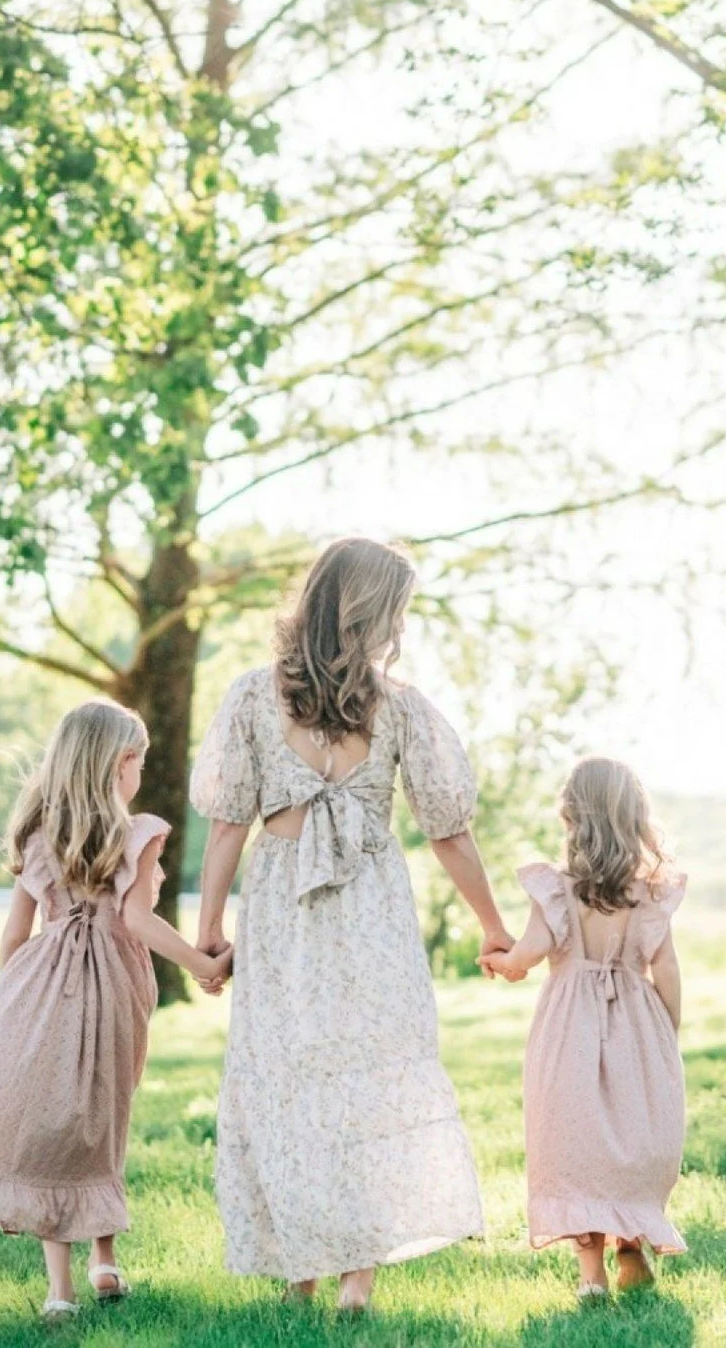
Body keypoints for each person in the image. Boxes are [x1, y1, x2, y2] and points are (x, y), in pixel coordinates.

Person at [190, 537, 513, 1313]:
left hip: (281, 906)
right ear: (376, 612)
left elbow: (230, 826)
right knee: (370, 1072)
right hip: (370, 905)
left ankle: (302, 1267)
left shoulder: (252, 697)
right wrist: (493, 927)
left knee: (287, 1073)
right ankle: (354, 1277)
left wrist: (207, 932)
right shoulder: (399, 707)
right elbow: (448, 832)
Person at [0, 698, 230, 1318]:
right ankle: (104, 1259)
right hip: (113, 984)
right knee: (104, 1112)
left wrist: (10, 1002)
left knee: (58, 1121)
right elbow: (136, 919)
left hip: (39, 989)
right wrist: (204, 965)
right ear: (120, 764)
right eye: (139, 761)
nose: (141, 773)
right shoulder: (136, 834)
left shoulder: (37, 835)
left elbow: (14, 933)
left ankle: (60, 1293)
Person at [480, 756, 686, 1306]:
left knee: (574, 1138)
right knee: (634, 1133)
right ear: (634, 818)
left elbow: (530, 953)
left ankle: (591, 1276)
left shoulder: (556, 887)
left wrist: (503, 961)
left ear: (571, 816)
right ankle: (632, 1248)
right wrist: (668, 1030)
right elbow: (664, 966)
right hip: (637, 1022)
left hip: (570, 1023)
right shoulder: (650, 890)